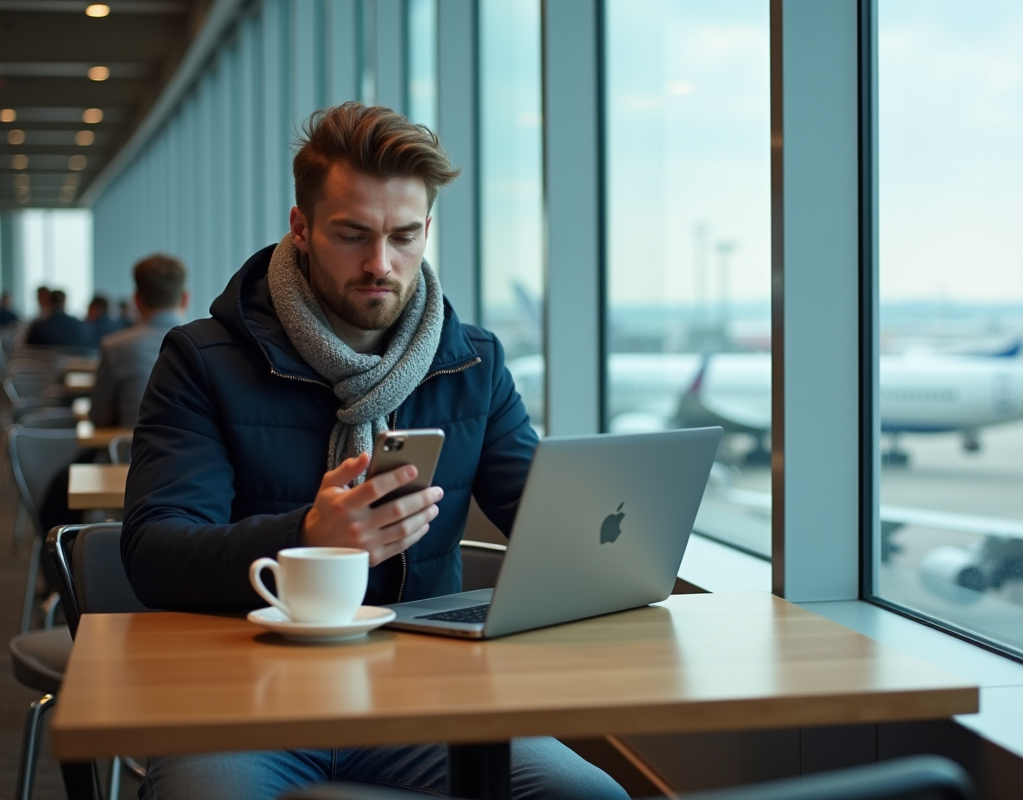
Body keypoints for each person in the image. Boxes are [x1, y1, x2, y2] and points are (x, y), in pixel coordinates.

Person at [121, 102, 627, 800]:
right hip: (243, 704)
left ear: (428, 229)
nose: (380, 264)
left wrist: (615, 535)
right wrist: (306, 541)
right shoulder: (202, 361)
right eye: (352, 235)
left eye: (404, 236)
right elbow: (154, 554)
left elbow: (541, 523)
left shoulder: (471, 363)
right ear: (301, 229)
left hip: (425, 697)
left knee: (588, 796)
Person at [89, 256, 188, 427]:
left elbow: (100, 417)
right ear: (185, 299)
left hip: (131, 452)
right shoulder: (210, 347)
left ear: (136, 300)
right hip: (196, 453)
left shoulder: (115, 347)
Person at [24, 289, 93, 347]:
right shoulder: (81, 325)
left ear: (49, 302)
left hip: (44, 362)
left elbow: (30, 350)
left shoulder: (38, 327)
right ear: (65, 302)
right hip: (75, 363)